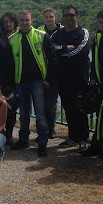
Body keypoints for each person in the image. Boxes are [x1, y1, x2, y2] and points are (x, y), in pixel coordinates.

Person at [9, 10, 55, 157]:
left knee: (40, 113)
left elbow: (52, 59)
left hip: (38, 81)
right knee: (23, 113)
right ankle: (24, 139)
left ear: (32, 20)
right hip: (21, 82)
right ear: (19, 22)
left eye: (27, 20)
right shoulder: (12, 39)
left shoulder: (41, 36)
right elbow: (9, 64)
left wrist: (48, 79)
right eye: (22, 20)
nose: (24, 23)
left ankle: (42, 142)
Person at [51, 5, 91, 153]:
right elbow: (49, 49)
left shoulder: (83, 32)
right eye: (66, 15)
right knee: (68, 108)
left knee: (80, 108)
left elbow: (80, 52)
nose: (69, 18)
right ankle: (72, 136)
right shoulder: (57, 34)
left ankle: (83, 139)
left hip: (79, 78)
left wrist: (59, 52)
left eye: (71, 15)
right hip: (62, 78)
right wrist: (63, 48)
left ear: (77, 17)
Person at [80, 9, 103, 158]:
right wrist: (93, 78)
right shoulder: (99, 37)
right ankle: (97, 144)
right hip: (100, 82)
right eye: (101, 22)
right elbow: (95, 59)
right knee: (101, 114)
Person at [0, 12, 19, 144]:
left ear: (14, 22)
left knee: (11, 107)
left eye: (10, 21)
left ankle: (9, 133)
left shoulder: (20, 35)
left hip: (15, 77)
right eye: (5, 22)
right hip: (0, 78)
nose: (8, 24)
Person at [41, 7, 63, 139]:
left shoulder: (63, 31)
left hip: (61, 72)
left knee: (53, 103)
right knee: (44, 104)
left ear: (56, 17)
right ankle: (46, 129)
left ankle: (52, 128)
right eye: (46, 17)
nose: (49, 19)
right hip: (45, 74)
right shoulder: (40, 32)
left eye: (51, 16)